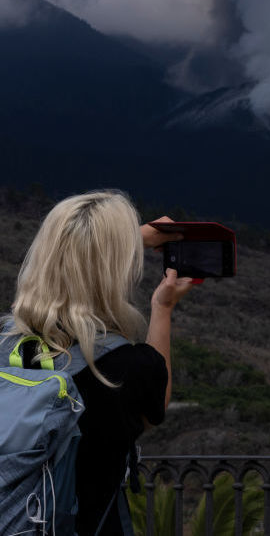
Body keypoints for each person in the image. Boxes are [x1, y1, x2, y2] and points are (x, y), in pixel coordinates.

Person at [1, 190, 194, 535]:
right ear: (115, 273)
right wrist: (162, 309)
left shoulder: (7, 344)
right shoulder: (128, 370)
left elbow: (69, 259)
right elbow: (156, 404)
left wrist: (116, 239)